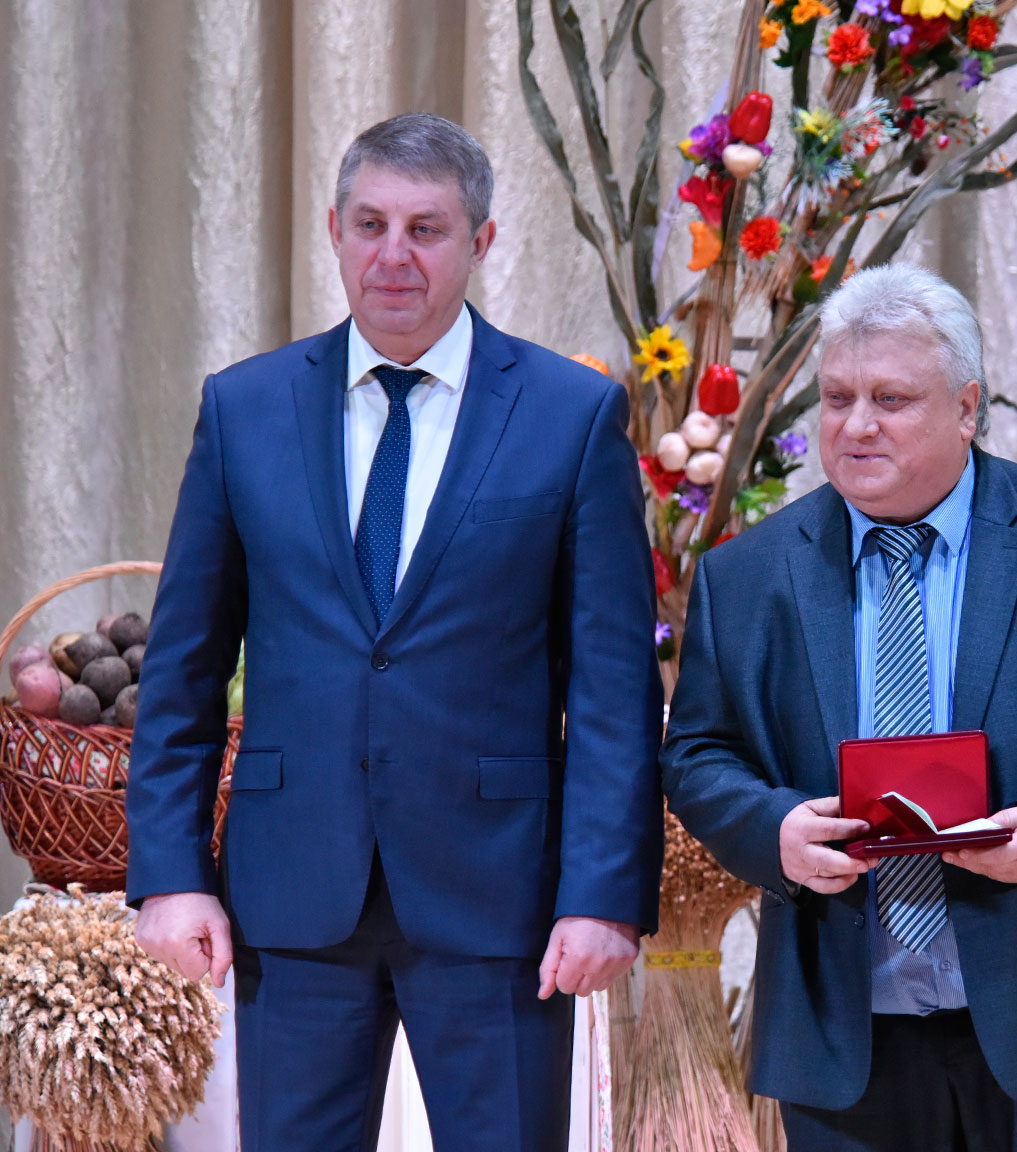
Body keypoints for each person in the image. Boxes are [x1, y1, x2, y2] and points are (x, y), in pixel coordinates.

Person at [126, 113, 663, 1152]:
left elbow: (614, 688)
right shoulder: (244, 408)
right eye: (370, 224)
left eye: (427, 229)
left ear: (482, 241)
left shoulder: (571, 414)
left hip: (499, 902)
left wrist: (603, 895)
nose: (394, 255)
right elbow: (184, 666)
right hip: (294, 900)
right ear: (334, 231)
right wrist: (172, 872)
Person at [661, 265, 1017, 1151]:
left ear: (967, 408)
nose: (856, 424)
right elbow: (697, 752)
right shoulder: (746, 575)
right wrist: (775, 832)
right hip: (844, 1033)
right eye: (837, 398)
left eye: (891, 399)